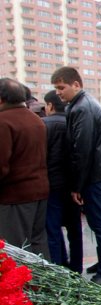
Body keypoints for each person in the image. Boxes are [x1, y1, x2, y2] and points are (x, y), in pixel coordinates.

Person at [51, 67, 101, 287]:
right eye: (56, 88)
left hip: (98, 176)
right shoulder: (88, 103)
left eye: (61, 87)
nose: (58, 93)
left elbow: (81, 150)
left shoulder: (81, 108)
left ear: (76, 84)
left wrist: (77, 185)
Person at [0, 79, 50, 259]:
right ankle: (45, 285)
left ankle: (24, 286)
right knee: (38, 243)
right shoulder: (35, 119)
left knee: (16, 248)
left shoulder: (4, 121)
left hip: (14, 195)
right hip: (39, 191)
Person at [43, 90, 83, 272]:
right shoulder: (73, 122)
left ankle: (58, 270)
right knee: (75, 231)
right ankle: (76, 269)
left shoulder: (43, 125)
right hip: (73, 185)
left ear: (50, 105)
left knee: (52, 230)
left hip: (52, 185)